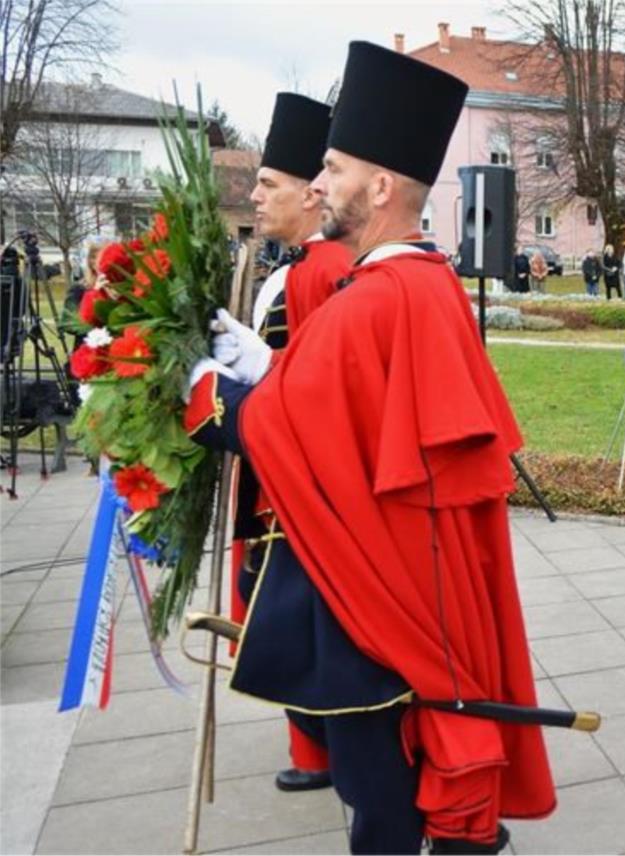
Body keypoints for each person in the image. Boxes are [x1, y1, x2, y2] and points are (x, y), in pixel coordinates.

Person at [184, 42, 555, 854]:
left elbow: (266, 428)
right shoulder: (426, 282)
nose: (318, 185)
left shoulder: (372, 301)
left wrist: (192, 384)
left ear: (382, 187)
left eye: (334, 168)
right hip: (410, 573)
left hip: (373, 589)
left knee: (379, 792)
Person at [235, 92, 353, 794]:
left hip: (301, 491)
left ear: (313, 196)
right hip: (276, 477)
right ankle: (320, 742)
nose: (255, 195)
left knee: (296, 616)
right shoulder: (288, 269)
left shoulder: (320, 273)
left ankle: (334, 739)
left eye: (269, 184)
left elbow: (312, 392)